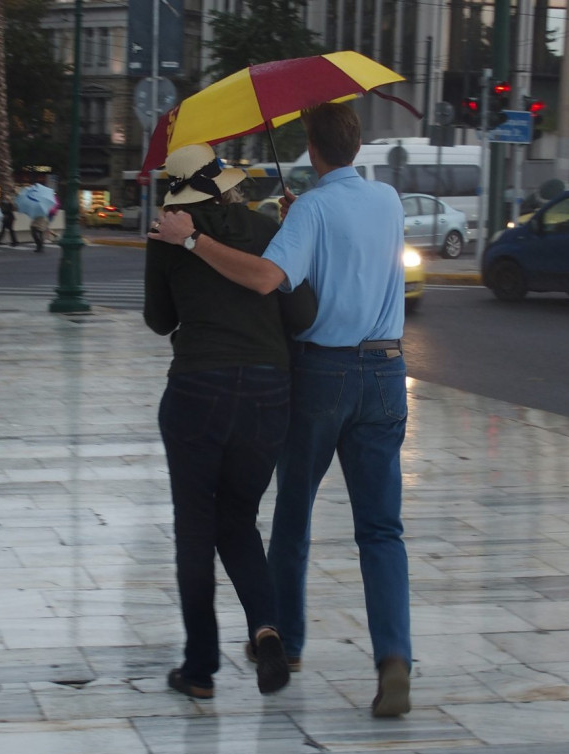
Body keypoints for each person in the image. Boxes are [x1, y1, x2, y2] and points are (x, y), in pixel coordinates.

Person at [149, 103, 412, 717]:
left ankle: (286, 642)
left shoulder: (312, 209)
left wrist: (190, 238)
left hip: (323, 373)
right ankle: (394, 657)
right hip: (387, 372)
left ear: (313, 149)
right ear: (356, 144)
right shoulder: (391, 200)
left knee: (292, 514)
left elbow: (270, 281)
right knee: (381, 528)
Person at [145, 143, 309, 700]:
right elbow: (303, 311)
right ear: (229, 184)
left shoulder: (168, 236)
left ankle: (199, 669)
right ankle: (266, 634)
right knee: (238, 520)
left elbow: (158, 319)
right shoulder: (266, 229)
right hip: (268, 392)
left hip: (197, 390)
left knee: (196, 527)